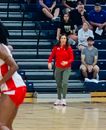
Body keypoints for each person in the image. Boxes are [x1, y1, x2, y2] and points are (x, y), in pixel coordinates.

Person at [0, 42, 27, 130]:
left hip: (12, 87)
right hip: (18, 87)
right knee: (7, 125)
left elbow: (14, 66)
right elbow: (10, 47)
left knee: (1, 125)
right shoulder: (3, 47)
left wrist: (0, 83)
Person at [48, 34, 74, 106]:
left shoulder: (69, 48)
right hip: (58, 68)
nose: (63, 39)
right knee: (58, 84)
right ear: (60, 39)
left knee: (65, 83)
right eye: (62, 38)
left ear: (66, 40)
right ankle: (59, 99)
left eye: (65, 38)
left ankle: (64, 99)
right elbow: (51, 56)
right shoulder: (56, 47)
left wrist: (66, 62)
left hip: (67, 68)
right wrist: (49, 62)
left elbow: (72, 58)